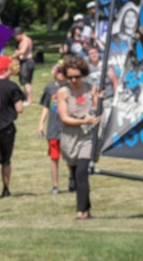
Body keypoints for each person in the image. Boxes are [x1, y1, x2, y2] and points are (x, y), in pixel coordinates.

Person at [57, 56, 103, 220]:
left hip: (88, 135)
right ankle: (87, 210)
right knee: (77, 173)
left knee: (82, 171)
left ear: (83, 73)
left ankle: (80, 211)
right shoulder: (63, 92)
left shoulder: (91, 88)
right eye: (70, 77)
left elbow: (98, 110)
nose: (74, 80)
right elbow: (64, 117)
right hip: (70, 137)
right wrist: (83, 120)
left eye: (77, 76)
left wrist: (99, 100)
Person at [0, 56, 25, 199]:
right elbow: (19, 108)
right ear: (5, 70)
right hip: (8, 126)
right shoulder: (12, 86)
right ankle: (6, 189)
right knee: (6, 160)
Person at [38, 62, 74, 195]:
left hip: (68, 127)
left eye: (62, 71)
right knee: (54, 157)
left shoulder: (71, 87)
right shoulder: (49, 88)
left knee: (70, 156)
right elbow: (46, 107)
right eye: (58, 71)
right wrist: (41, 123)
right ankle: (55, 185)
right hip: (53, 128)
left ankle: (72, 177)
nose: (60, 74)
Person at [12, 27, 35, 105]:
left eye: (15, 36)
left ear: (20, 34)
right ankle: (26, 98)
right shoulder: (20, 41)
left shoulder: (26, 40)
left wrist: (14, 55)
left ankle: (29, 100)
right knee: (23, 81)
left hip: (27, 62)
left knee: (26, 81)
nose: (15, 38)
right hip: (23, 61)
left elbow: (23, 51)